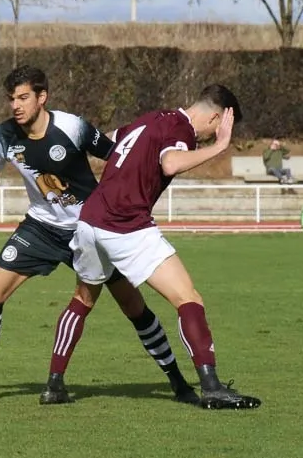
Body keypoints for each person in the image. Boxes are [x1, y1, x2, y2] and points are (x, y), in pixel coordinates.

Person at [0, 65, 198, 406]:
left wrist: (129, 204)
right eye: (11, 99)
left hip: (92, 227)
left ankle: (179, 383)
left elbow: (118, 157)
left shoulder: (72, 126)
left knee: (134, 308)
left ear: (41, 98)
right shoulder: (2, 136)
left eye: (23, 98)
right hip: (41, 227)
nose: (16, 106)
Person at [67, 84, 261, 410]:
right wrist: (220, 146)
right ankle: (211, 386)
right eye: (220, 126)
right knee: (188, 298)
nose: (213, 134)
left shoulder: (152, 118)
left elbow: (109, 140)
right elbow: (171, 163)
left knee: (84, 300)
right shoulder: (180, 129)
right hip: (124, 225)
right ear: (215, 117)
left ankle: (54, 382)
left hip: (90, 221)